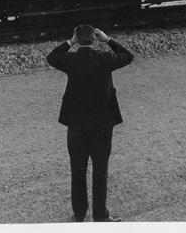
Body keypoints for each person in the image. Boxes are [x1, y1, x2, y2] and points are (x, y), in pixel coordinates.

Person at [46, 25, 134, 222]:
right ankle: (100, 216)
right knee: (100, 171)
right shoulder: (105, 59)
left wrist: (70, 42)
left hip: (76, 124)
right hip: (102, 124)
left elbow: (51, 57)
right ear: (95, 39)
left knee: (77, 170)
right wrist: (108, 39)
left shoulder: (71, 60)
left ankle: (79, 213)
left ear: (78, 39)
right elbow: (127, 55)